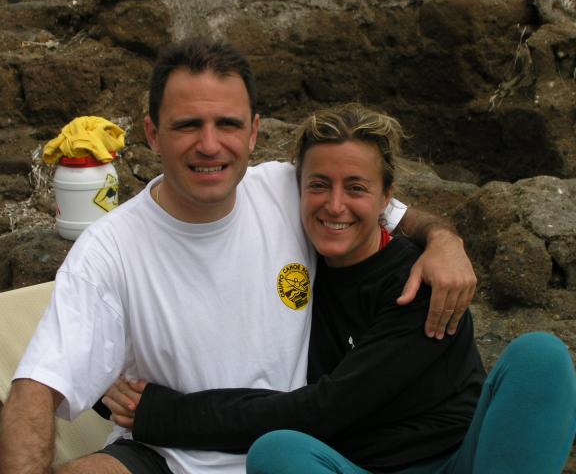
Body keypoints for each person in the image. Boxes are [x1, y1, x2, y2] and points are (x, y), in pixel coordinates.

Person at [0, 39, 477, 474]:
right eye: (188, 125)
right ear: (153, 133)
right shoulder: (109, 248)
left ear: (253, 133)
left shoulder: (287, 189)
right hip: (165, 453)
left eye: (227, 124)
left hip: (294, 452)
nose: (209, 145)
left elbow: (379, 210)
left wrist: (443, 241)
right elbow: (38, 385)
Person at [104, 103, 576, 474]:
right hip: (354, 468)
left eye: (356, 188)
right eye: (319, 185)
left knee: (541, 357)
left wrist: (167, 414)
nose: (334, 206)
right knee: (277, 454)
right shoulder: (294, 258)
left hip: (455, 461)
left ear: (387, 197)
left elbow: (323, 409)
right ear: (297, 190)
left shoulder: (418, 283)